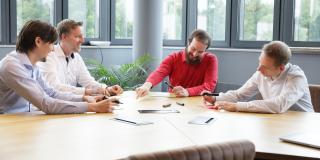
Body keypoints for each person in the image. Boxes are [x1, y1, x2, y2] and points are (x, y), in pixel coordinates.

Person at [0, 20, 117, 114]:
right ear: (38, 41)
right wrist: (92, 107)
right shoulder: (12, 66)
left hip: (25, 118)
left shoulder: (32, 65)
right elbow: (45, 103)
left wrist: (84, 99)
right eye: (50, 43)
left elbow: (52, 93)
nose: (52, 49)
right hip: (8, 122)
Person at [203, 41, 314, 114]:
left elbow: (279, 105)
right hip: (277, 121)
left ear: (281, 68)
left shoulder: (296, 77)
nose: (258, 69)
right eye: (260, 62)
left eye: (265, 67)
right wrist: (214, 98)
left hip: (304, 126)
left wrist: (237, 106)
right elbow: (239, 94)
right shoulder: (261, 73)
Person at [38, 19, 123, 96]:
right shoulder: (48, 56)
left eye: (82, 36)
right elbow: (54, 87)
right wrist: (85, 92)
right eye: (77, 36)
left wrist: (106, 88)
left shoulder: (77, 58)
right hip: (46, 110)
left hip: (68, 107)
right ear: (64, 37)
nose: (82, 40)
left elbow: (88, 82)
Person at [136, 29, 218, 98]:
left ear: (205, 50)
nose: (195, 54)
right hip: (175, 101)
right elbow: (159, 72)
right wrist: (147, 85)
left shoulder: (211, 59)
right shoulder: (174, 57)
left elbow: (209, 86)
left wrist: (187, 92)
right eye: (193, 49)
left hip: (198, 102)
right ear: (188, 43)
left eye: (200, 52)